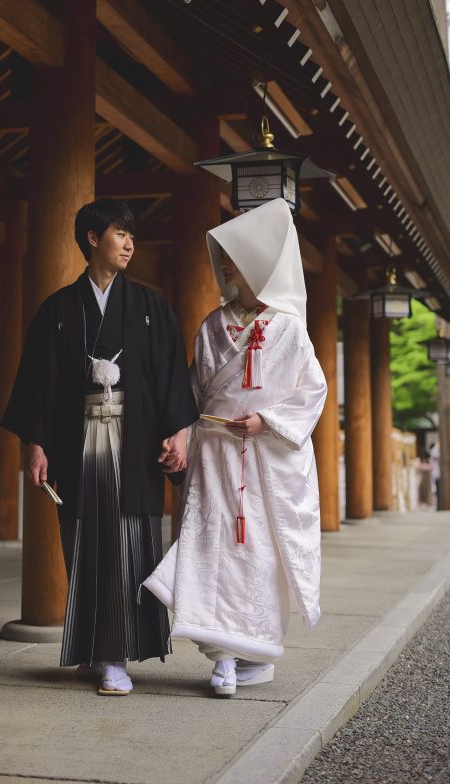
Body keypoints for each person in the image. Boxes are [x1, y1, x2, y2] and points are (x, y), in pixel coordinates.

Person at [1, 198, 198, 696]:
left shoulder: (151, 307)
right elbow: (37, 383)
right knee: (88, 544)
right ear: (93, 240)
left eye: (132, 236)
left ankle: (116, 655)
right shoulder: (59, 310)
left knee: (131, 544)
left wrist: (179, 432)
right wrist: (36, 443)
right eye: (119, 234)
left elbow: (173, 375)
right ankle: (97, 648)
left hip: (134, 446)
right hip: (79, 441)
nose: (129, 243)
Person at [143, 198, 327, 698]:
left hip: (267, 460)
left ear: (258, 265)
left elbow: (312, 394)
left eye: (234, 258)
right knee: (211, 546)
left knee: (260, 555)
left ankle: (257, 650)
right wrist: (181, 432)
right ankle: (221, 657)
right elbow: (193, 393)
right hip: (215, 455)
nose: (224, 266)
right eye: (224, 257)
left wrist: (266, 420)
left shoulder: (289, 328)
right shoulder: (211, 325)